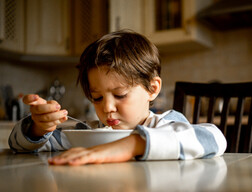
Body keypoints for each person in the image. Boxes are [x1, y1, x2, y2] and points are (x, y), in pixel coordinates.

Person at [8, 29, 227, 166]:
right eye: (97, 98)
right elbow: (19, 146)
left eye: (120, 95)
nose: (108, 108)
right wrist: (38, 127)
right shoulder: (89, 133)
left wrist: (130, 145)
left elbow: (215, 138)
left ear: (152, 88)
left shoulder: (165, 124)